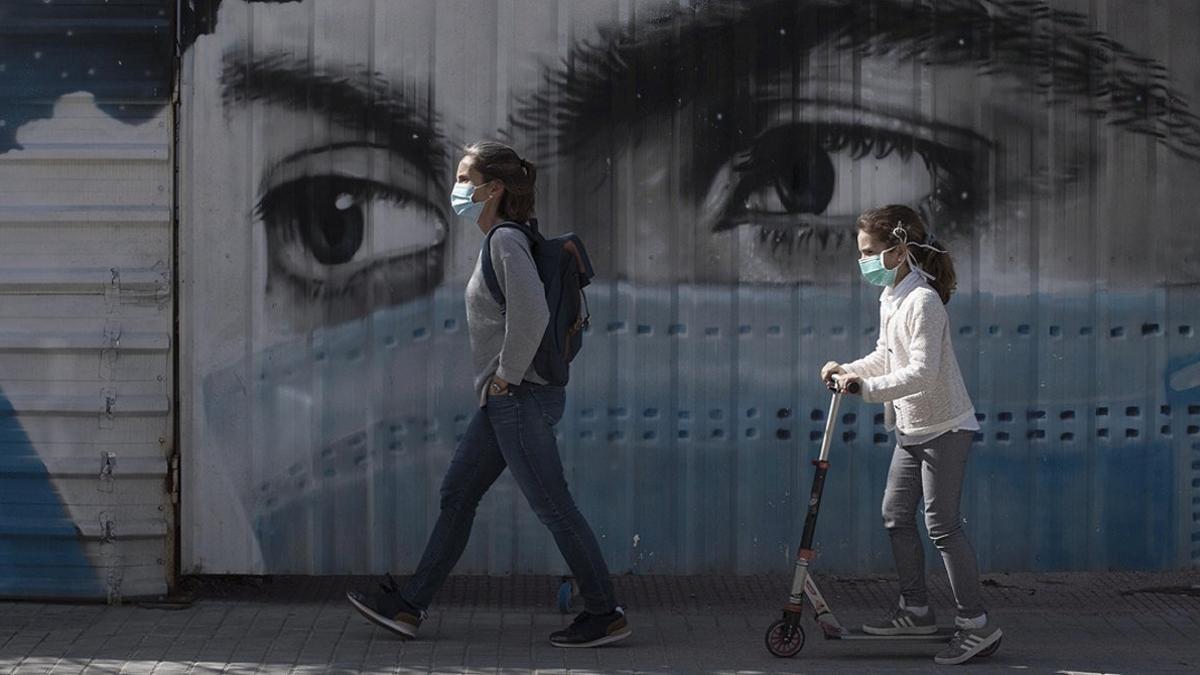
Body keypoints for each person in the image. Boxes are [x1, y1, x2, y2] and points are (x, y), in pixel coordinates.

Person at [347, 141, 630, 648]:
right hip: (505, 402)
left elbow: (532, 314)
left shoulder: (505, 241)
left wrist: (506, 375)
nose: (457, 189)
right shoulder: (506, 240)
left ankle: (604, 612)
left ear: (493, 188)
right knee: (458, 495)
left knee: (554, 508)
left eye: (464, 179)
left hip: (518, 399)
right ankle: (411, 607)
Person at [821, 204, 1001, 666]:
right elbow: (887, 354)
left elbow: (921, 372)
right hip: (911, 427)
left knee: (942, 526)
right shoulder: (893, 297)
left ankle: (976, 624)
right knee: (896, 516)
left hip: (945, 428)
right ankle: (916, 609)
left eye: (868, 252)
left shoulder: (923, 300)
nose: (861, 262)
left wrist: (865, 389)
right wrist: (848, 369)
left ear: (898, 251)